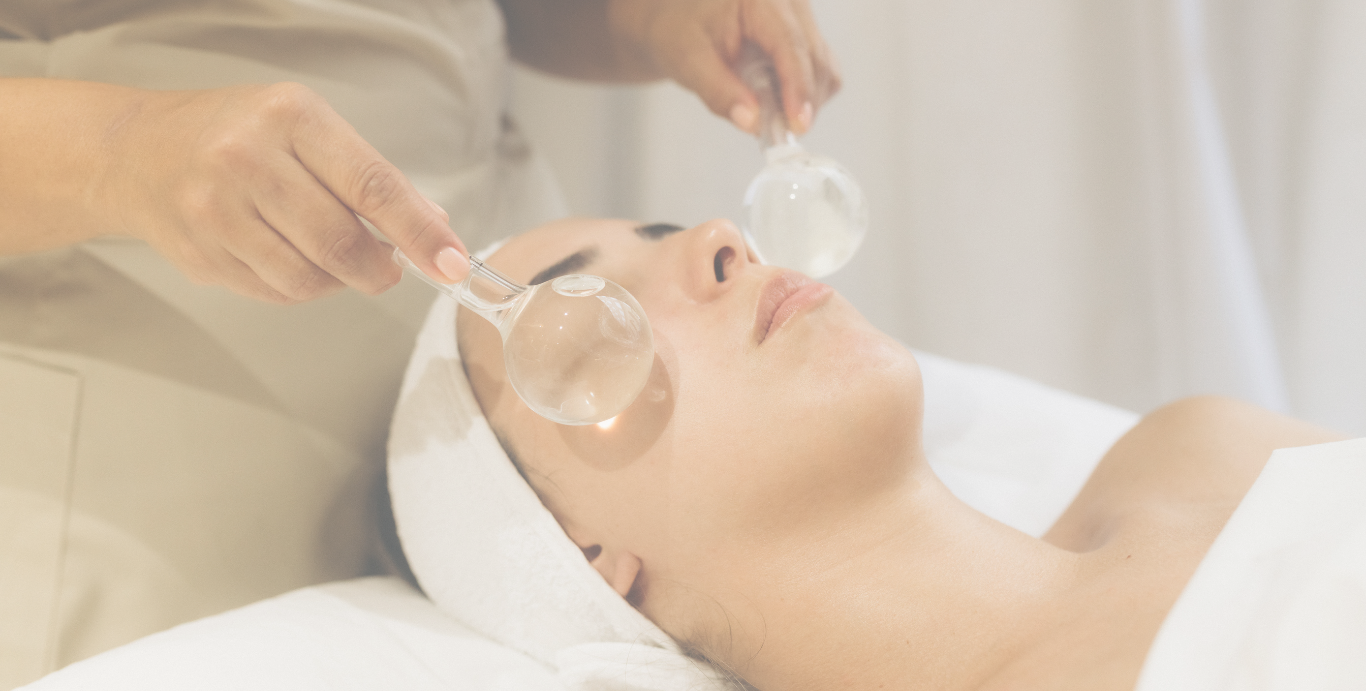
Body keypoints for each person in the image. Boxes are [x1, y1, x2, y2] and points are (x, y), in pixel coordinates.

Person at [0, 0, 839, 683]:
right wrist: (116, 152)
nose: (723, 237)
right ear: (589, 561)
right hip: (159, 406)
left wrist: (650, 15)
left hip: (485, 368)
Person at [453, 216, 1346, 690]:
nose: (718, 236)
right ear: (579, 557)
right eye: (572, 328)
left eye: (663, 230)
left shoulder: (1201, 451)